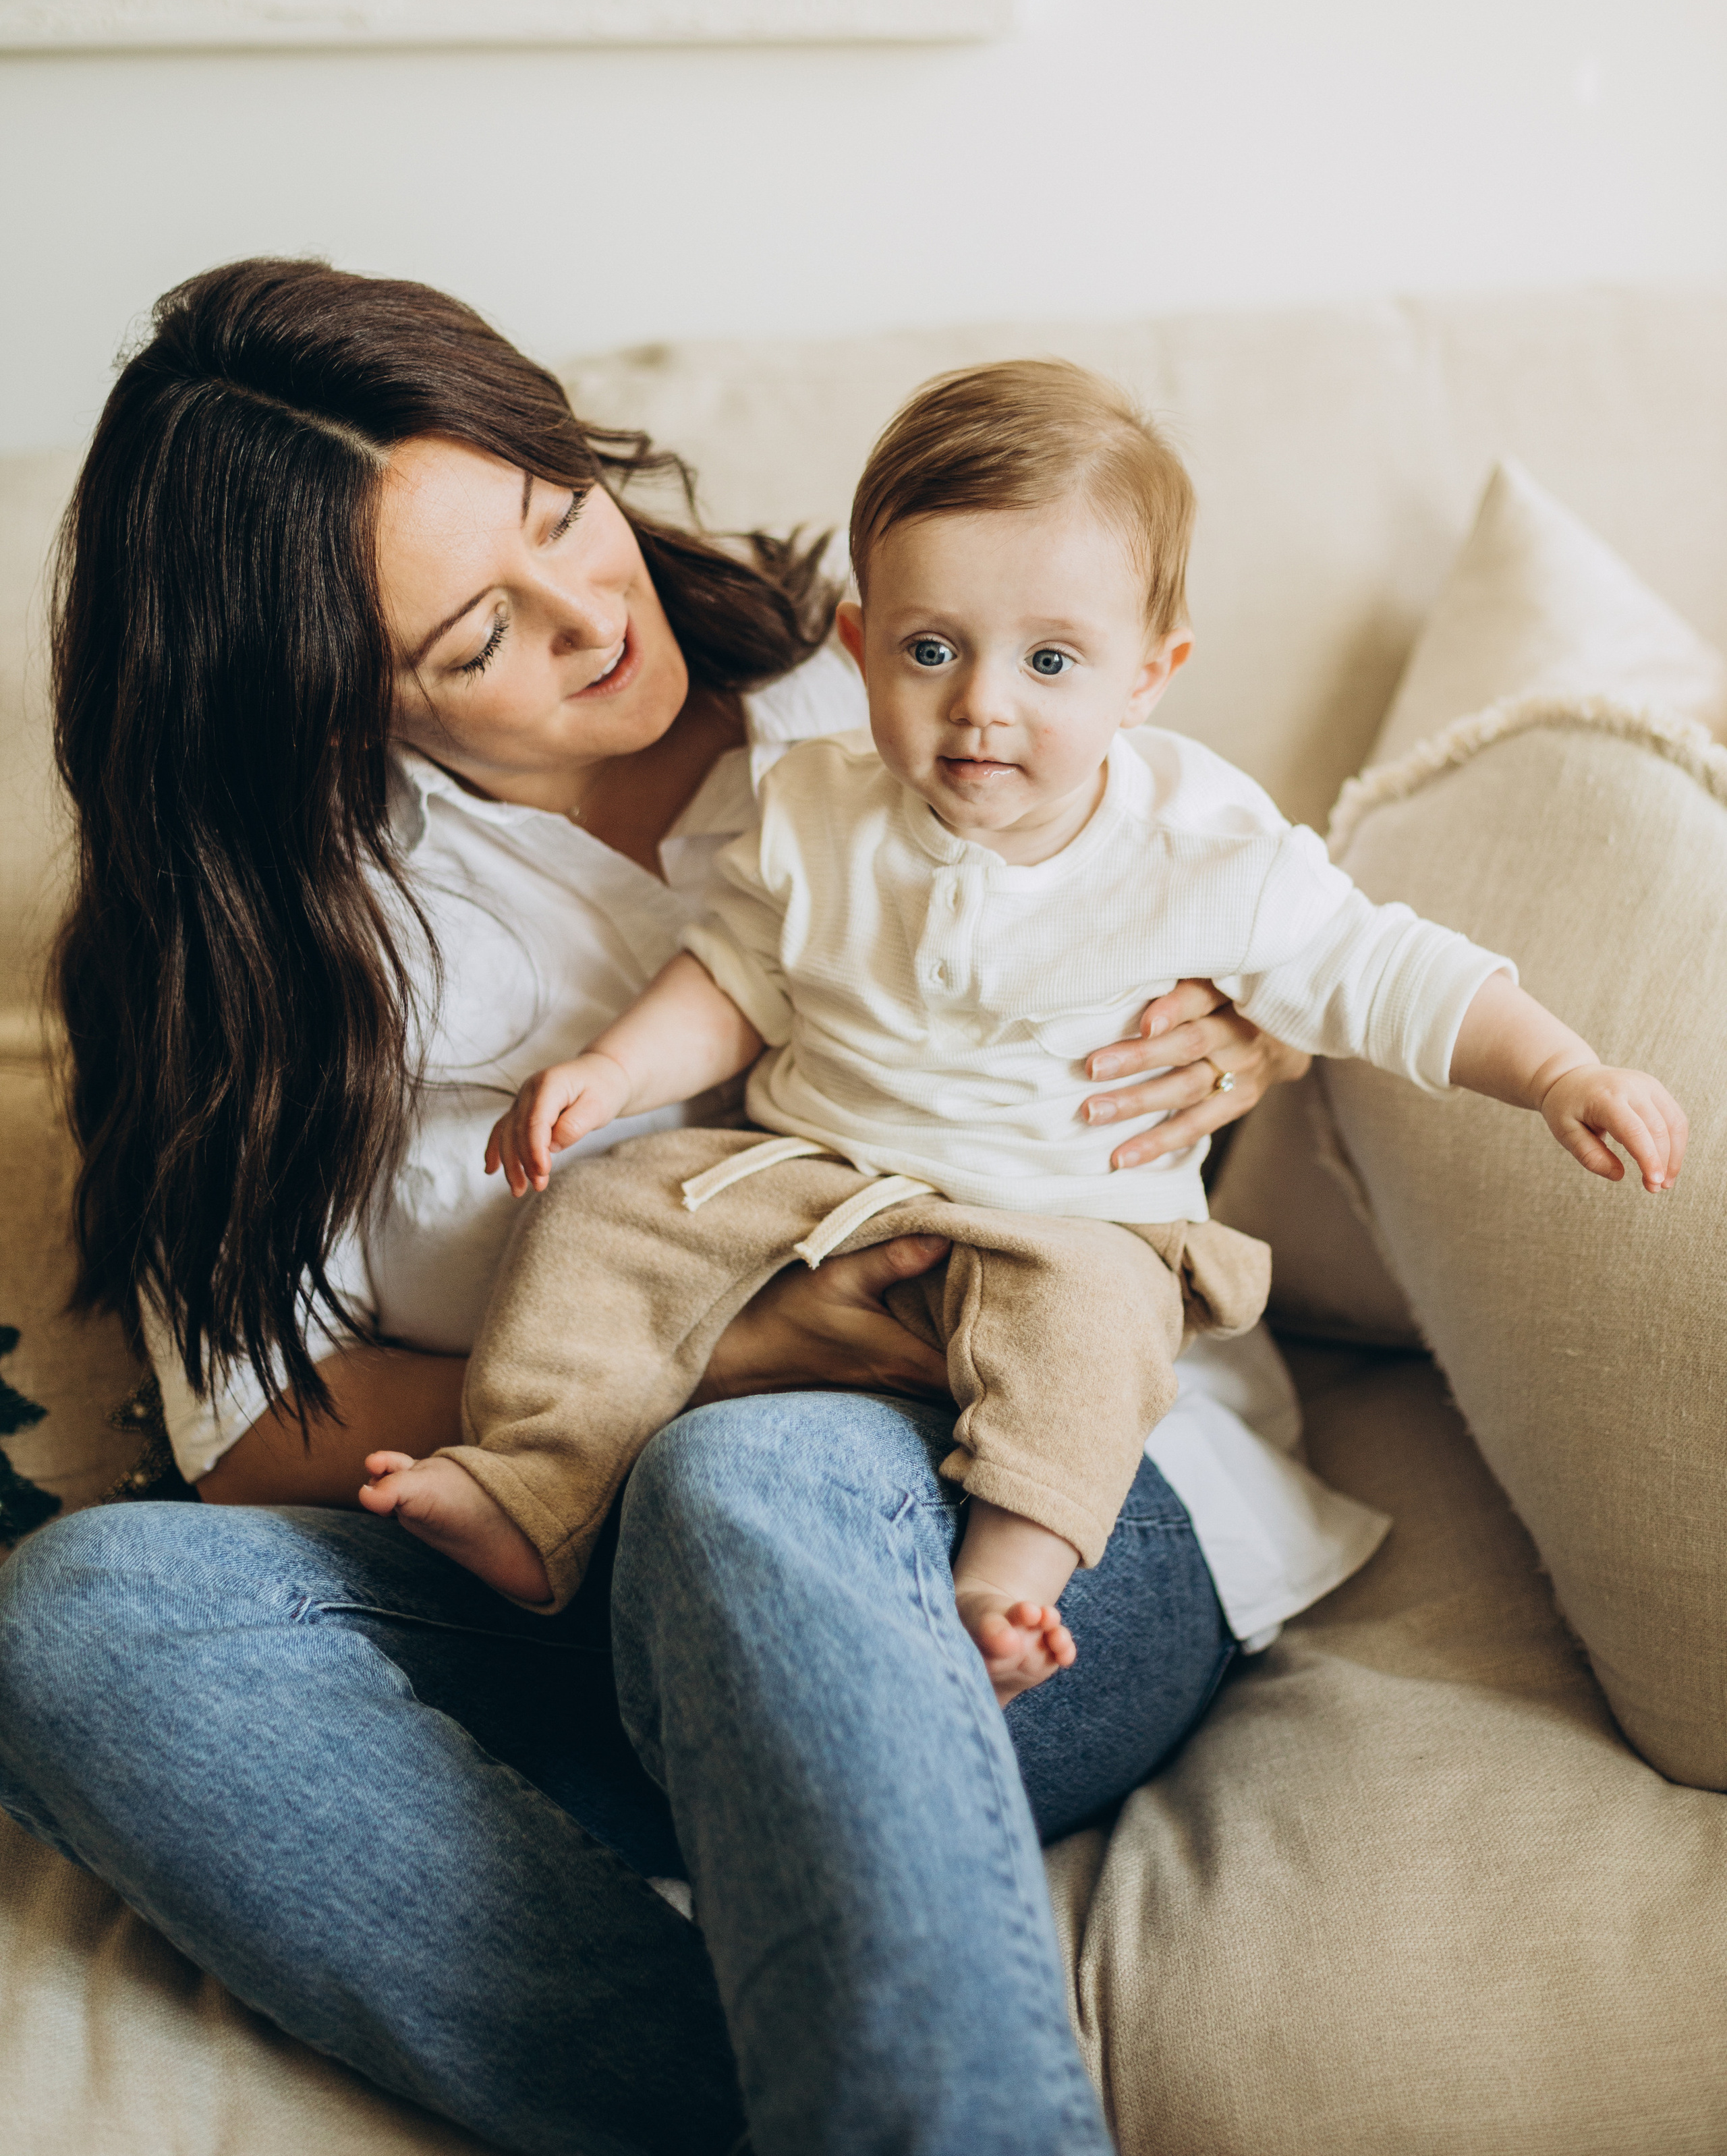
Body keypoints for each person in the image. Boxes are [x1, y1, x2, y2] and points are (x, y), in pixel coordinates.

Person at [0, 261, 1333, 2156]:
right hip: (548, 1576)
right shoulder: (275, 942)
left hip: (1014, 1538)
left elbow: (1247, 882)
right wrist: (714, 1355)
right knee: (84, 1624)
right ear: (320, 705)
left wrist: (1255, 1031)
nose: (593, 613)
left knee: (756, 1485)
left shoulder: (880, 681)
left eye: (566, 514)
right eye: (480, 636)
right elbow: (255, 1431)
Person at [360, 360, 1688, 1702]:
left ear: (1147, 676)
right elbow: (737, 975)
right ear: (857, 639)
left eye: (1050, 661)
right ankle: (532, 1488)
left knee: (1097, 1332)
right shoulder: (818, 801)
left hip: (1067, 1219)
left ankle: (1011, 1574)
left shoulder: (1198, 845)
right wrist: (607, 1070)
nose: (980, 704)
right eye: (928, 651)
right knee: (597, 1217)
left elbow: (1385, 969)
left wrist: (1556, 1070)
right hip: (809, 1186)